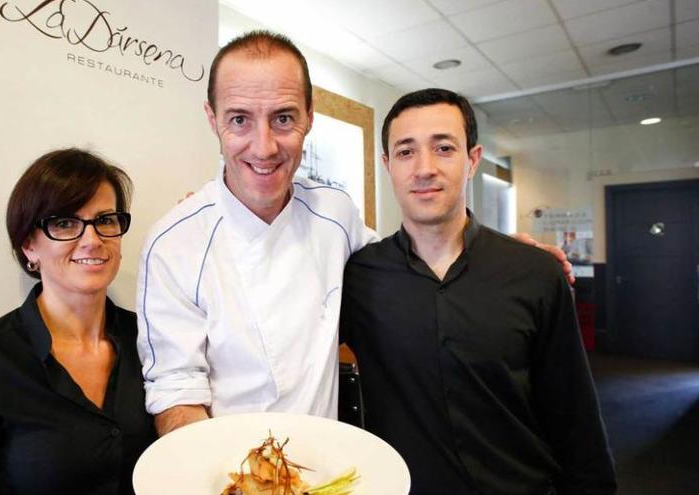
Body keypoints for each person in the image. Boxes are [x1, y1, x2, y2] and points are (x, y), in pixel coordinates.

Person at [136, 30, 572, 437]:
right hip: (225, 472)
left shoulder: (334, 211)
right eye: (239, 120)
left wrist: (497, 254)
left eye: (284, 118)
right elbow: (175, 392)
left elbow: (408, 263)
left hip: (327, 465)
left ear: (310, 118)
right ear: (212, 120)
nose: (264, 146)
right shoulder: (173, 244)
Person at [340, 89, 616, 495]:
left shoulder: (534, 273)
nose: (424, 168)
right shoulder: (359, 277)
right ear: (387, 165)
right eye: (405, 152)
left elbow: (575, 418)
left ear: (472, 159)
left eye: (444, 148)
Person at [0, 149, 156, 495]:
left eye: (105, 220)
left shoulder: (151, 340)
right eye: (64, 223)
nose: (92, 239)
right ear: (29, 245)